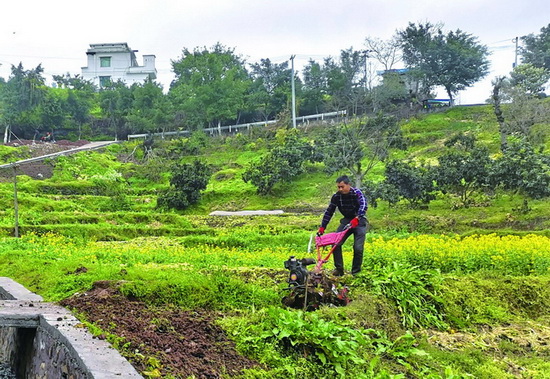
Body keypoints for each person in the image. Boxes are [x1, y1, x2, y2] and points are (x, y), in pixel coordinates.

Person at [317, 175, 368, 276]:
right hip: (347, 221)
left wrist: (358, 217)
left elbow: (364, 205)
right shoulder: (336, 196)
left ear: (348, 185)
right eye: (338, 187)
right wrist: (323, 227)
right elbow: (329, 212)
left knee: (358, 248)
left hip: (359, 221)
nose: (340, 189)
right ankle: (339, 269)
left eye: (342, 187)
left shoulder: (357, 193)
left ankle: (355, 272)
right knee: (336, 243)